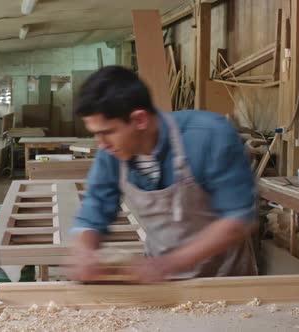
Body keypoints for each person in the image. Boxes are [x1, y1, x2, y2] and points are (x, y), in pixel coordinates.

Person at [68, 65, 257, 283]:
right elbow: (95, 209)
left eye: (107, 132)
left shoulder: (209, 136)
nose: (101, 145)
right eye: (95, 134)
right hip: (160, 280)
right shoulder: (111, 153)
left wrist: (168, 264)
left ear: (139, 119)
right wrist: (83, 252)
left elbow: (238, 218)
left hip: (225, 280)